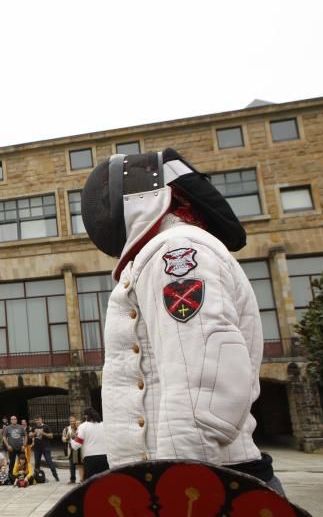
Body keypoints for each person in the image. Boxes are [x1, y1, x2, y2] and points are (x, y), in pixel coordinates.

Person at [81, 148, 283, 493]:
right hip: (198, 478)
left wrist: (176, 489)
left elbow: (202, 382)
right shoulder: (165, 250)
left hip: (206, 486)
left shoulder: (175, 253)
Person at [71, 408, 109, 478]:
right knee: (105, 481)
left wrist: (72, 440)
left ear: (86, 416)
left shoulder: (83, 426)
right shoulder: (104, 425)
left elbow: (77, 445)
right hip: (105, 456)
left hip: (90, 458)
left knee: (91, 482)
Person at [30, 417, 59, 483]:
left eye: (39, 420)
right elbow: (30, 435)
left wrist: (43, 433)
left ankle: (56, 476)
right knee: (37, 464)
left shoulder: (46, 427)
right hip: (37, 448)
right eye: (36, 420)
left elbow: (51, 436)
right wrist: (35, 433)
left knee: (49, 462)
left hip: (46, 447)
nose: (37, 421)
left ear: (41, 420)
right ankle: (37, 477)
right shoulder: (34, 427)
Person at [2, 415, 27, 479]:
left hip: (20, 448)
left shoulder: (20, 427)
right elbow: (4, 437)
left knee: (23, 461)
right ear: (10, 420)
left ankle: (24, 473)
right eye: (12, 419)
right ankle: (10, 475)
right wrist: (7, 446)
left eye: (15, 419)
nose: (14, 420)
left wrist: (24, 445)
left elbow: (25, 436)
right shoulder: (7, 428)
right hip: (11, 448)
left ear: (16, 420)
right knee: (12, 462)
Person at [62, 416, 83, 484]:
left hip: (79, 448)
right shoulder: (66, 429)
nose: (72, 422)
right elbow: (63, 438)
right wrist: (66, 439)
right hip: (71, 448)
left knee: (80, 464)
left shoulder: (79, 428)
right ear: (69, 422)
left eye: (73, 421)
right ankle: (72, 479)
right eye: (71, 421)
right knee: (71, 465)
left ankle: (81, 479)